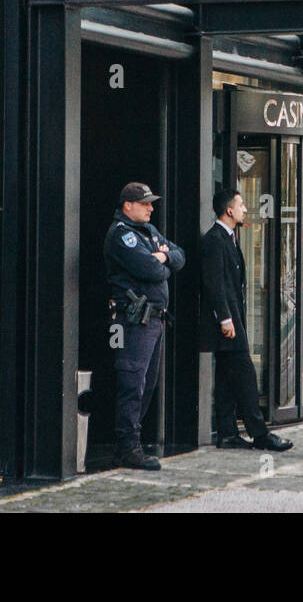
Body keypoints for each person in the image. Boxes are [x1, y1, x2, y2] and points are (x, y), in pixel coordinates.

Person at [199, 188, 293, 452]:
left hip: (232, 320)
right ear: (229, 210)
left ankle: (228, 434)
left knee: (228, 379)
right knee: (245, 374)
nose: (244, 209)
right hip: (226, 323)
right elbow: (214, 284)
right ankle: (260, 434)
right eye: (240, 205)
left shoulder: (229, 238)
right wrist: (225, 318)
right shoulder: (215, 240)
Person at [104, 182, 186, 470]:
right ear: (128, 205)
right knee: (132, 383)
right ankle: (128, 447)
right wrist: (162, 261)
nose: (151, 208)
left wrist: (163, 255)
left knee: (147, 384)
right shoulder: (122, 235)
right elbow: (150, 270)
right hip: (135, 320)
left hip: (155, 319)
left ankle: (131, 443)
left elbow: (179, 256)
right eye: (145, 203)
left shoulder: (148, 231)